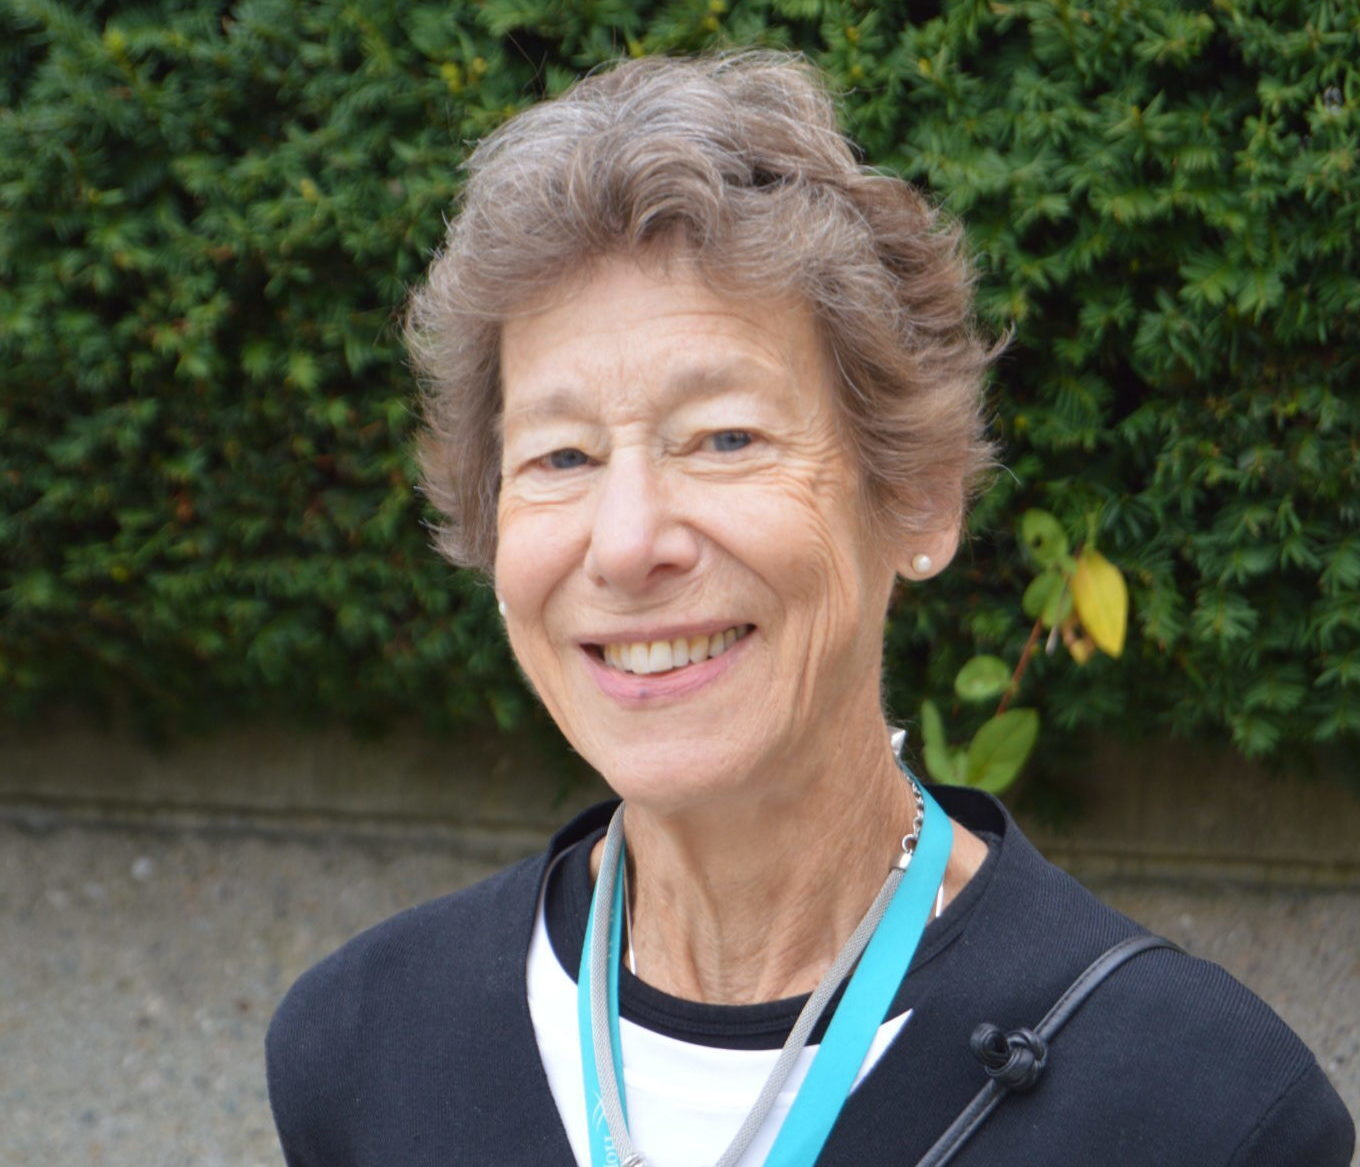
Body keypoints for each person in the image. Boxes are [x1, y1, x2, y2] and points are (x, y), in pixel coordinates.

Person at [265, 53, 1354, 1166]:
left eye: (724, 438)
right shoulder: (362, 1052)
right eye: (561, 455)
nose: (629, 540)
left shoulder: (1198, 1110)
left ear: (916, 495)